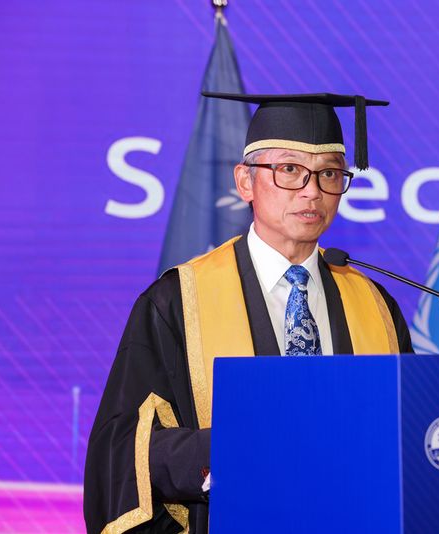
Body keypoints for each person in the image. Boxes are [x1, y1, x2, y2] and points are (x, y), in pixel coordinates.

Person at [84, 93, 414, 534]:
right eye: (289, 170)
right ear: (245, 181)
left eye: (330, 173)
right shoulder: (177, 302)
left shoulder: (375, 304)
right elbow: (123, 451)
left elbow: (408, 437)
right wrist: (230, 451)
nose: (312, 191)